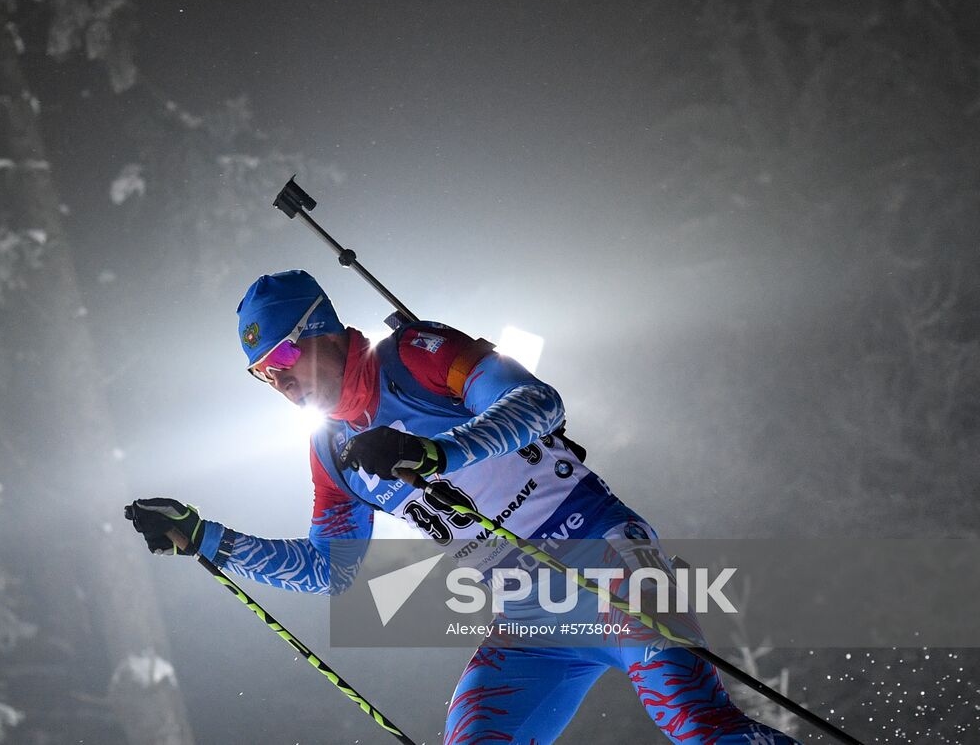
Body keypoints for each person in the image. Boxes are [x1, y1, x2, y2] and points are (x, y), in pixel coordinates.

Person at [126, 269, 795, 744]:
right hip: (531, 618)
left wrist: (438, 454)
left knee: (706, 735)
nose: (279, 381)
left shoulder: (415, 356)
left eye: (282, 358)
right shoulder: (331, 452)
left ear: (320, 331)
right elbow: (329, 570)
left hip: (608, 561)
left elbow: (540, 403)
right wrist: (208, 540)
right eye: (263, 375)